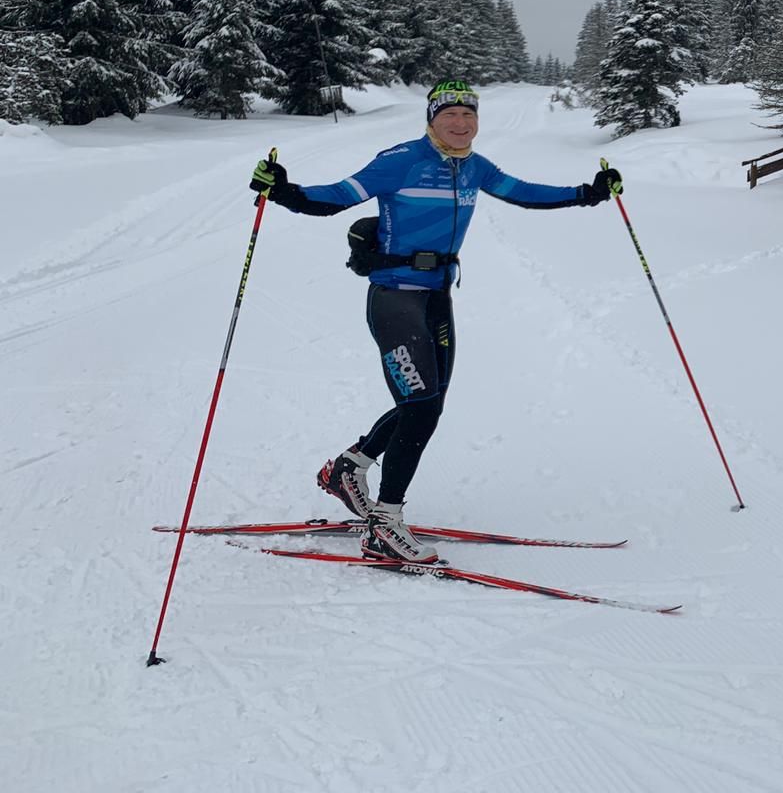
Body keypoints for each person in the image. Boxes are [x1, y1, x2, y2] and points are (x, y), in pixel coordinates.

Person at [247, 79, 621, 564]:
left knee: (429, 404)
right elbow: (338, 195)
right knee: (420, 405)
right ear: (431, 119)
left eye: (469, 116)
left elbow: (524, 192)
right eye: (450, 115)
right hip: (395, 298)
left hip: (437, 297)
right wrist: (285, 192)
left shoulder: (473, 167)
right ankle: (384, 524)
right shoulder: (401, 160)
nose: (461, 124)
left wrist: (587, 193)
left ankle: (349, 467)